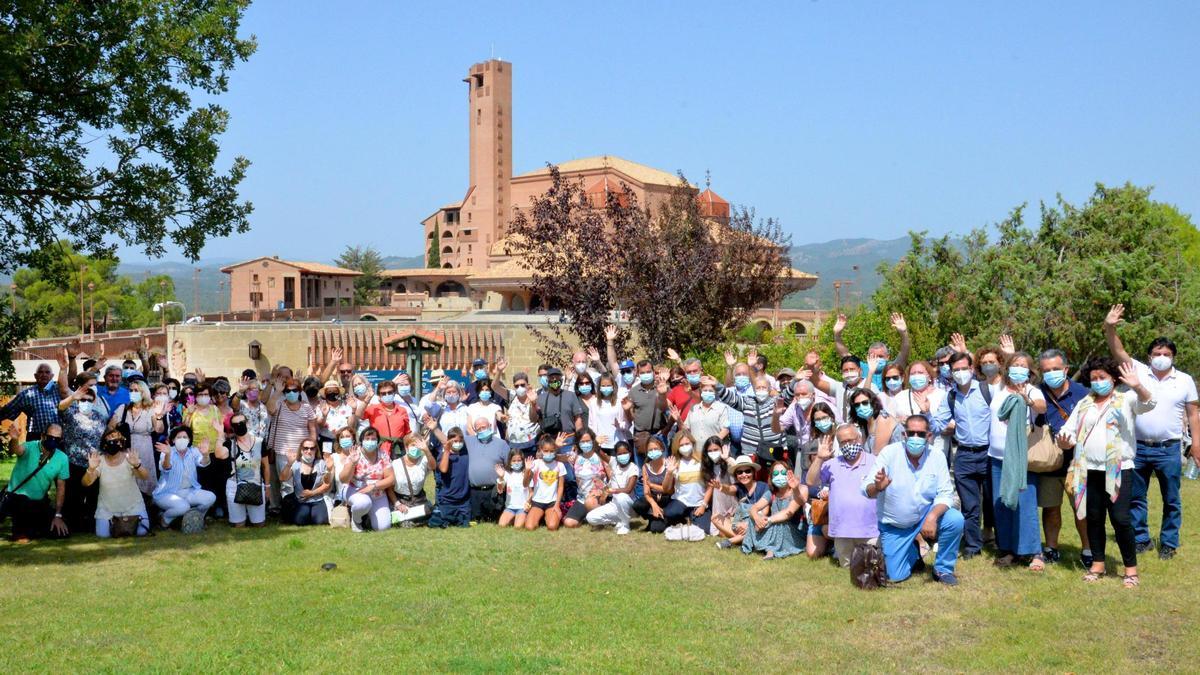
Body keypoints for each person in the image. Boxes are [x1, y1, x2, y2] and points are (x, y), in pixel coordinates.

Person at [1104, 304, 1199, 560]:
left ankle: (1168, 543)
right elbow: (1118, 350)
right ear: (1149, 356)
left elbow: (1193, 414)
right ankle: (1141, 539)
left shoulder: (1185, 380)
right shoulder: (1138, 371)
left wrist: (1197, 445)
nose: (1162, 357)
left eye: (1167, 353)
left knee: (1171, 499)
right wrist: (1110, 327)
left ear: (1173, 357)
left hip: (1169, 448)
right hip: (1138, 447)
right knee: (1136, 498)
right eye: (1157, 352)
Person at [1057, 357, 1155, 587]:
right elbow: (1068, 432)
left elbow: (1149, 404)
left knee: (1121, 519)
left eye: (1102, 377)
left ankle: (1130, 570)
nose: (1098, 382)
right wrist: (1063, 441)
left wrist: (1137, 385)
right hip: (1089, 470)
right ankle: (1098, 563)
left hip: (1119, 469)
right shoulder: (1084, 403)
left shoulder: (1126, 399)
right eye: (1094, 378)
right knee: (1094, 518)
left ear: (1113, 378)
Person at [864, 414, 964, 585]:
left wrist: (932, 517)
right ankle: (914, 553)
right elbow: (866, 489)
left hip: (925, 514)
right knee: (895, 576)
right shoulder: (889, 453)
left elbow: (946, 494)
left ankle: (943, 569)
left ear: (929, 436)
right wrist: (878, 487)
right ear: (904, 435)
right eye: (911, 433)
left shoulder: (937, 456)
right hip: (896, 525)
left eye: (921, 434)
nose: (915, 438)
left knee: (955, 520)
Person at [985, 351, 1048, 570]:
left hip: (1021, 457)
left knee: (1025, 503)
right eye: (1015, 364)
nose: (1018, 368)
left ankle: (1032, 551)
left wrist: (1027, 399)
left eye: (1023, 365)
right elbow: (985, 367)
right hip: (996, 457)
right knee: (1001, 503)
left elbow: (1041, 408)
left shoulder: (1032, 390)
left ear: (1030, 371)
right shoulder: (999, 387)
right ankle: (1007, 549)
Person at [930, 350, 992, 558]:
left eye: (964, 369)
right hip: (964, 455)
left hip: (988, 453)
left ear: (972, 369)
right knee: (970, 505)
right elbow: (938, 423)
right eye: (956, 370)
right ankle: (973, 546)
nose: (960, 373)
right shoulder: (951, 396)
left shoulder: (986, 390)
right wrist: (925, 419)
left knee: (994, 502)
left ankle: (1003, 544)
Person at [1035, 348, 1092, 566]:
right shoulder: (1037, 393)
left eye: (1056, 369)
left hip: (1077, 462)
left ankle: (1087, 550)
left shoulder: (1083, 393)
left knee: (1081, 508)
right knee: (1050, 508)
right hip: (1048, 462)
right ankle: (1051, 548)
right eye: (1046, 370)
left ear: (1066, 369)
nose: (1051, 373)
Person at [809, 424, 879, 566]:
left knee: (872, 569)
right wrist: (819, 458)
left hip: (870, 530)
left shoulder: (875, 462)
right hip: (843, 531)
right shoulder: (832, 464)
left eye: (851, 440)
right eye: (843, 442)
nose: (848, 445)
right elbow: (811, 481)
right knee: (846, 569)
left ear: (859, 439)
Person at [56, 370, 109, 532]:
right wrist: (73, 397)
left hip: (93, 465)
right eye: (83, 399)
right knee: (73, 498)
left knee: (93, 497)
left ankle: (91, 525)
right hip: (73, 463)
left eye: (88, 400)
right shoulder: (71, 414)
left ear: (93, 401)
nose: (85, 402)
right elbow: (60, 407)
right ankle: (72, 524)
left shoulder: (100, 417)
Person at [5, 423, 70, 542]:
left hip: (39, 501)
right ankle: (22, 531)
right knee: (25, 516)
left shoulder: (62, 458)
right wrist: (14, 439)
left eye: (57, 439)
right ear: (43, 436)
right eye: (50, 437)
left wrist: (58, 515)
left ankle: (33, 529)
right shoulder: (30, 446)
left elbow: (61, 488)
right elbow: (16, 450)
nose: (53, 441)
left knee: (60, 532)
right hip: (18, 498)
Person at [82, 429, 151, 537]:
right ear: (104, 443)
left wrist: (137, 465)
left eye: (116, 440)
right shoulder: (99, 460)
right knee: (102, 535)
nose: (113, 443)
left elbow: (145, 476)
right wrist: (90, 469)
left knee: (142, 532)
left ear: (121, 443)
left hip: (133, 507)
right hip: (107, 509)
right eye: (110, 439)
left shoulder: (129, 458)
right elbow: (86, 483)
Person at [713, 367, 784, 464]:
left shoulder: (776, 402)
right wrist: (717, 385)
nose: (761, 390)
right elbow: (731, 398)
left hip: (775, 450)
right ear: (754, 390)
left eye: (764, 387)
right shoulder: (747, 402)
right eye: (758, 388)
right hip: (752, 452)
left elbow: (788, 396)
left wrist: (795, 381)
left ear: (769, 389)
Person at [267, 377, 318, 510]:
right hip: (282, 451)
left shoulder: (307, 408)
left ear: (300, 392)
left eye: (295, 390)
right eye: (288, 391)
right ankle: (287, 509)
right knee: (286, 483)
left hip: (302, 452)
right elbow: (270, 409)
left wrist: (313, 448)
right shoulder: (279, 405)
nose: (291, 393)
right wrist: (277, 392)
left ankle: (300, 506)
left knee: (300, 481)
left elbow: (312, 429)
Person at [152, 426, 217, 528]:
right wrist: (168, 454)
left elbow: (203, 463)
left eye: (185, 437)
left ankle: (194, 519)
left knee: (210, 497)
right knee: (183, 507)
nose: (182, 439)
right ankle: (164, 519)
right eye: (179, 437)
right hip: (167, 493)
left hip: (189, 491)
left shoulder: (193, 451)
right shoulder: (167, 451)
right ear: (173, 440)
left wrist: (205, 454)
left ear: (189, 439)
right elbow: (166, 467)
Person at [108, 380, 164, 497]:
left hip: (144, 448)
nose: (133, 393)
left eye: (136, 391)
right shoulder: (123, 408)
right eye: (131, 390)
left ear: (143, 393)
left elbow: (159, 429)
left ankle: (144, 508)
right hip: (125, 449)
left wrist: (159, 417)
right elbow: (110, 427)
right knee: (126, 480)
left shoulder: (150, 409)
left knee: (143, 478)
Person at [740, 460, 806, 558]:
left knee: (781, 523)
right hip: (773, 524)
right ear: (771, 477)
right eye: (776, 473)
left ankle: (771, 550)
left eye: (783, 473)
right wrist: (757, 518)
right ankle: (749, 546)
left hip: (794, 530)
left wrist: (767, 521)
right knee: (752, 517)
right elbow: (755, 507)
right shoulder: (771, 493)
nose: (779, 476)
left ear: (789, 474)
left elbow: (788, 512)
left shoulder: (801, 489)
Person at [833, 312, 912, 391]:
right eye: (873, 356)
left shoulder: (892, 367)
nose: (876, 359)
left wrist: (904, 333)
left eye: (880, 356)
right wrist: (837, 335)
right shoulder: (862, 368)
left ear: (888, 357)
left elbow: (904, 353)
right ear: (867, 357)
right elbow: (845, 355)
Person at [339, 427, 394, 532]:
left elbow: (391, 478)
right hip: (356, 491)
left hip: (377, 494)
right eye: (367, 438)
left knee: (383, 527)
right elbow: (343, 479)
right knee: (364, 503)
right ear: (361, 440)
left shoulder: (383, 455)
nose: (370, 441)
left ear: (378, 441)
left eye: (373, 439)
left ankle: (368, 518)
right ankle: (356, 519)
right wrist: (352, 463)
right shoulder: (355, 453)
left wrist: (373, 486)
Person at [891, 361, 948, 461]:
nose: (916, 376)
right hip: (906, 452)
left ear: (929, 376)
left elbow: (950, 426)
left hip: (935, 451)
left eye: (920, 373)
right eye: (913, 373)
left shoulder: (942, 396)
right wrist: (898, 420)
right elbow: (890, 422)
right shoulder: (900, 397)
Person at [661, 431, 712, 538]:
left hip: (698, 503)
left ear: (693, 443)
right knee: (670, 513)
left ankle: (690, 519)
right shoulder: (674, 461)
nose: (685, 447)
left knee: (705, 530)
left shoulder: (702, 460)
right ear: (677, 447)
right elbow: (665, 488)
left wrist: (703, 505)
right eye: (681, 445)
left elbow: (710, 485)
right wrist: (669, 473)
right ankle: (684, 519)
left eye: (687, 444)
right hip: (681, 502)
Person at [224, 413, 271, 527]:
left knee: (259, 524)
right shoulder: (229, 443)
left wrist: (267, 486)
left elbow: (266, 466)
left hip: (255, 484)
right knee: (239, 524)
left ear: (247, 423)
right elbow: (219, 454)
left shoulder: (260, 442)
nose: (239, 426)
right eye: (236, 424)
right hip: (235, 486)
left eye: (242, 423)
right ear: (233, 428)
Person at [585, 441, 640, 534]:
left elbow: (628, 489)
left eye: (625, 453)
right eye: (620, 454)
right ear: (616, 455)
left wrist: (611, 491)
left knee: (622, 496)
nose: (622, 456)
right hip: (615, 505)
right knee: (590, 518)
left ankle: (626, 525)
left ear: (630, 454)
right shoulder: (614, 463)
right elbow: (600, 452)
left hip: (629, 505)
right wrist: (596, 443)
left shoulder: (633, 468)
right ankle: (618, 521)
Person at [425, 420, 472, 528]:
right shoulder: (444, 455)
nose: (458, 443)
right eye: (454, 441)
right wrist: (446, 450)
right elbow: (443, 469)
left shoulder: (465, 453)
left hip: (463, 501)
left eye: (460, 441)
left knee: (464, 524)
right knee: (437, 523)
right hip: (447, 499)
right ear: (449, 441)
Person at [464, 417, 510, 522]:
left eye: (483, 427)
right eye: (478, 429)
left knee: (494, 520)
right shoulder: (469, 441)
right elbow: (451, 440)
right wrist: (435, 429)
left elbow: (509, 467)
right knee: (476, 521)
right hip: (475, 491)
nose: (481, 430)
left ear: (490, 426)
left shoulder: (502, 444)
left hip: (494, 490)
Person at [0, 360, 61, 439]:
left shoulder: (60, 390)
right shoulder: (26, 394)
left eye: (47, 372)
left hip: (58, 437)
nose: (44, 375)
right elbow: (7, 411)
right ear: (35, 376)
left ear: (52, 376)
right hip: (36, 438)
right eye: (40, 372)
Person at [279, 439, 332, 526]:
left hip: (317, 499)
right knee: (300, 521)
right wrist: (289, 464)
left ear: (316, 450)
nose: (309, 451)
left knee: (320, 521)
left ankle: (313, 514)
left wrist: (312, 493)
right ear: (301, 450)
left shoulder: (322, 463)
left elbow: (327, 485)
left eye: (312, 448)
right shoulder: (295, 464)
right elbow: (282, 478)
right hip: (301, 500)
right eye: (306, 448)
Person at [389, 433, 435, 526]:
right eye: (413, 445)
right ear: (406, 447)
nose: (416, 448)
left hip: (418, 499)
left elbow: (433, 466)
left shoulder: (423, 460)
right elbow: (389, 488)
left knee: (434, 515)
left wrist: (426, 450)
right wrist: (397, 504)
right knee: (404, 522)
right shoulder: (395, 464)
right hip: (400, 500)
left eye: (418, 445)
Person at [564, 428, 606, 528]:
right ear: (578, 443)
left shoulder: (600, 456)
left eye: (588, 441)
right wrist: (556, 446)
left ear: (593, 441)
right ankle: (586, 517)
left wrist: (604, 491)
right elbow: (555, 456)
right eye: (582, 442)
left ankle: (602, 520)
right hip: (581, 499)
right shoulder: (575, 457)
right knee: (568, 523)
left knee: (590, 502)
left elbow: (612, 476)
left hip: (597, 497)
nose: (585, 444)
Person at [524, 434, 567, 531]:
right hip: (537, 502)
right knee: (529, 527)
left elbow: (560, 487)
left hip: (552, 502)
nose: (549, 453)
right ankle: (541, 516)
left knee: (552, 527)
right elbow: (525, 484)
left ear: (555, 451)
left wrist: (557, 504)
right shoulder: (536, 463)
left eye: (552, 451)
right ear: (541, 450)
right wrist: (527, 471)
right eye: (546, 451)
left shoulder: (559, 465)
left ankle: (550, 516)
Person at [361, 379, 412, 458]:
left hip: (398, 450)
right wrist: (367, 399)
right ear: (379, 396)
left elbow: (407, 433)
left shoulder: (402, 410)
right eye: (383, 393)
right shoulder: (373, 409)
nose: (387, 395)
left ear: (394, 393)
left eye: (390, 392)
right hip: (379, 450)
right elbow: (359, 415)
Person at [631, 436, 672, 533]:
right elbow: (646, 492)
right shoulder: (646, 466)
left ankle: (665, 519)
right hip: (652, 498)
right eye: (650, 450)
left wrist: (653, 486)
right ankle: (652, 517)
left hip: (666, 499)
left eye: (656, 449)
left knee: (656, 529)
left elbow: (670, 490)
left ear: (662, 448)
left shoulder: (668, 464)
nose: (653, 452)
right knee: (638, 505)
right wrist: (654, 505)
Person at [626, 361, 668, 455]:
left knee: (663, 466)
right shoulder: (633, 391)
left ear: (653, 372)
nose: (646, 375)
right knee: (642, 467)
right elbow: (631, 418)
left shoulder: (662, 387)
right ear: (638, 374)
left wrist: (662, 394)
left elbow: (668, 410)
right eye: (642, 373)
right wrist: (626, 410)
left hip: (659, 434)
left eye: (648, 372)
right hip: (641, 437)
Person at [847, 387, 901, 453]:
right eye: (857, 405)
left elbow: (878, 454)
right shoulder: (864, 423)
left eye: (865, 403)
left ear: (873, 402)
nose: (861, 407)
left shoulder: (883, 419)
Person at [685, 378, 730, 450]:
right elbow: (686, 428)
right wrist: (678, 419)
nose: (707, 392)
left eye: (710, 391)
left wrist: (711, 444)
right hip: (696, 451)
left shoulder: (721, 408)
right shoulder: (694, 408)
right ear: (701, 392)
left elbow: (725, 430)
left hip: (713, 451)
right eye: (705, 390)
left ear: (715, 392)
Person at [316, 380, 358, 454]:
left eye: (335, 391)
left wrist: (353, 410)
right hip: (326, 440)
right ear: (325, 394)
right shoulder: (320, 407)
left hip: (344, 441)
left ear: (338, 393)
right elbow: (319, 425)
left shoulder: (347, 406)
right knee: (328, 461)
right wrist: (324, 415)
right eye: (329, 392)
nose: (332, 393)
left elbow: (351, 425)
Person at [504, 372, 540, 456]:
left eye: (522, 385)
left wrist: (533, 403)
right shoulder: (512, 396)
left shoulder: (535, 395)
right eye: (516, 386)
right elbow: (495, 387)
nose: (520, 387)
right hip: (513, 444)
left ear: (528, 385)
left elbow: (534, 419)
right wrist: (499, 371)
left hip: (531, 444)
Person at [496, 448, 530, 529]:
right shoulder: (507, 474)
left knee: (518, 527)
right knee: (501, 526)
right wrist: (500, 477)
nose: (517, 463)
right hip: (510, 507)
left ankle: (520, 518)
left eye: (519, 460)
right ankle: (512, 518)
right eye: (514, 461)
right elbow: (500, 490)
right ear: (510, 461)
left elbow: (531, 490)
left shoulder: (526, 472)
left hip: (522, 508)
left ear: (523, 460)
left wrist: (529, 503)